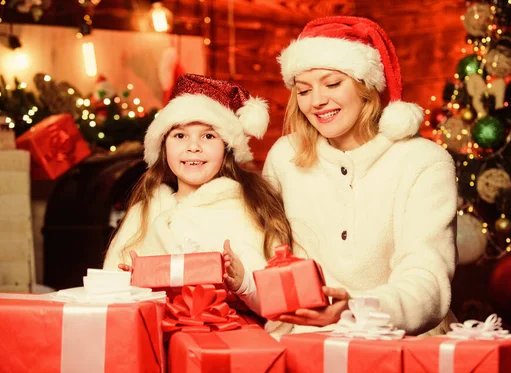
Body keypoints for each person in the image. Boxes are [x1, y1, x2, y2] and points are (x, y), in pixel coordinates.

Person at [263, 16, 458, 336]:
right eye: (304, 90)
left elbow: (427, 279)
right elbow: (266, 252)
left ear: (365, 85)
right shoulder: (286, 156)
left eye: (332, 83)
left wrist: (357, 307)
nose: (317, 101)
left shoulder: (424, 161)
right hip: (304, 340)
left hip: (394, 340)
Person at [103, 74, 294, 332]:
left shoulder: (247, 206)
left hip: (229, 348)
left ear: (227, 146)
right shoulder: (147, 211)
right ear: (163, 145)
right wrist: (130, 284)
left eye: (208, 136)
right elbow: (112, 298)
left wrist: (243, 282)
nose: (193, 147)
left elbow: (279, 306)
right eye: (180, 136)